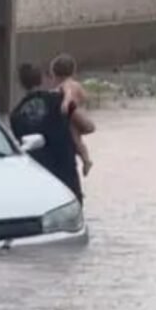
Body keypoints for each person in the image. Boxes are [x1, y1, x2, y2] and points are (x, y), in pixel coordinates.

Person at [10, 63, 95, 202]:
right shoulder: (58, 101)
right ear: (44, 79)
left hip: (37, 183)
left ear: (21, 83)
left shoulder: (15, 115)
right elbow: (88, 127)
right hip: (66, 179)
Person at [51, 53, 93, 176]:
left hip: (71, 116)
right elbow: (85, 98)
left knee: (74, 139)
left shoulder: (66, 84)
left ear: (54, 74)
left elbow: (68, 93)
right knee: (78, 141)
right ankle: (86, 159)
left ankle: (86, 160)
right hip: (78, 113)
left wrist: (65, 103)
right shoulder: (76, 84)